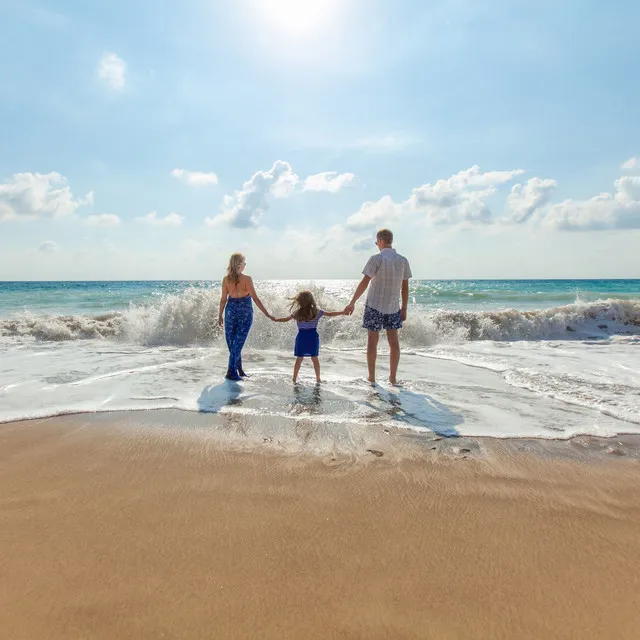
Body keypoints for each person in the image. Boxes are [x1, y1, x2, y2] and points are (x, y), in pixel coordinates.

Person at [344, 228, 412, 385]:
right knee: (394, 342)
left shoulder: (376, 259)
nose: (377, 245)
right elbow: (405, 287)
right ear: (391, 241)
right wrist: (405, 307)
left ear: (381, 241)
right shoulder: (403, 260)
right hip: (393, 307)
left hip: (374, 305)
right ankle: (392, 378)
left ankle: (372, 377)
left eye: (377, 242)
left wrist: (352, 302)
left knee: (372, 341)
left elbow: (364, 282)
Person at [218, 253, 272, 381]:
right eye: (244, 263)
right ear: (240, 265)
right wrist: (267, 313)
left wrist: (220, 314)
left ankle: (239, 369)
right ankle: (231, 371)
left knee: (234, 343)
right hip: (245, 313)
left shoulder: (226, 279)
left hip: (230, 311)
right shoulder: (247, 279)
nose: (245, 265)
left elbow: (223, 300)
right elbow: (255, 298)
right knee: (237, 343)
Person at [272, 290, 345, 384]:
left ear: (299, 301)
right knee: (315, 359)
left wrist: (275, 319)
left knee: (299, 359)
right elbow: (330, 314)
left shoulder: (297, 313)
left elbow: (285, 319)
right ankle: (318, 379)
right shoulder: (317, 312)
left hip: (301, 337)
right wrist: (343, 312)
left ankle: (294, 379)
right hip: (312, 337)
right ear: (311, 300)